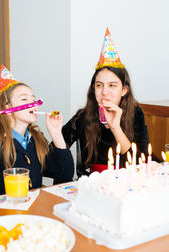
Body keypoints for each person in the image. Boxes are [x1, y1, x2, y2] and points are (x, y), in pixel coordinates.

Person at [62, 27, 149, 175]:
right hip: (93, 185)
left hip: (128, 182)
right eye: (99, 85)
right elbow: (53, 156)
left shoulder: (135, 114)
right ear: (93, 89)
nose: (104, 92)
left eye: (112, 85)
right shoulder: (83, 117)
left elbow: (140, 162)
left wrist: (116, 127)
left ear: (124, 90)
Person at [0, 65, 74, 197]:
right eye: (24, 99)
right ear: (7, 108)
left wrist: (56, 134)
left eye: (33, 99)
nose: (33, 103)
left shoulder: (36, 139)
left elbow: (64, 175)